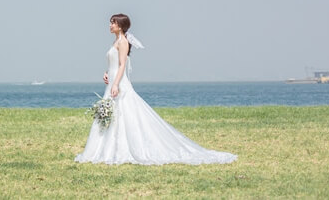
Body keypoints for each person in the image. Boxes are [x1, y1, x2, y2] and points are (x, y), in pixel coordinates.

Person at [75, 13, 237, 165]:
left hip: (119, 83)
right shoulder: (115, 42)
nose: (110, 25)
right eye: (111, 22)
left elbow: (123, 64)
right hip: (112, 81)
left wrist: (116, 83)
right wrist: (106, 73)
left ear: (121, 26)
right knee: (113, 114)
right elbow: (114, 63)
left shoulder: (123, 41)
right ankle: (105, 150)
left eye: (114, 23)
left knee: (125, 113)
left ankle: (125, 149)